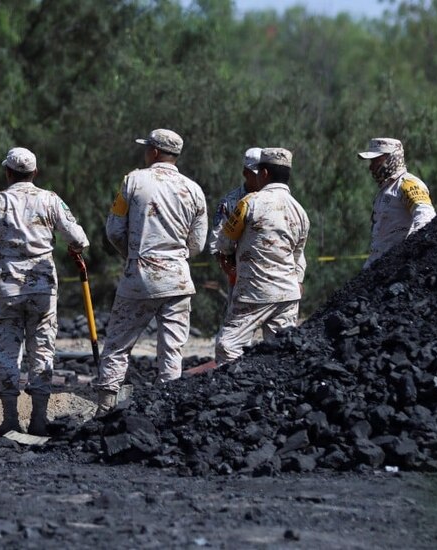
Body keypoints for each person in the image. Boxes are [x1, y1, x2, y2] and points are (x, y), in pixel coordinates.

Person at [0, 147, 88, 436]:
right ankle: (39, 420)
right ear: (35, 173)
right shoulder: (50, 200)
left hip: (7, 284)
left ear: (8, 172)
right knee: (42, 349)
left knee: (7, 352)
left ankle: (9, 420)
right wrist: (73, 249)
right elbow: (78, 237)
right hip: (43, 283)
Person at [94, 129, 208, 416]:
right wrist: (177, 258)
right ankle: (167, 412)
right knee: (172, 351)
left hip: (139, 277)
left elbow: (114, 229)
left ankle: (105, 407)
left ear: (155, 152)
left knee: (118, 344)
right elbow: (198, 243)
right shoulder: (194, 190)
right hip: (178, 280)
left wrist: (133, 254)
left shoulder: (133, 181)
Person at [213, 148, 309, 365]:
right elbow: (298, 255)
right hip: (288, 293)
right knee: (282, 350)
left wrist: (229, 260)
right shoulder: (300, 211)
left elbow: (224, 243)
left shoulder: (249, 203)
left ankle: (229, 391)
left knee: (228, 345)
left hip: (254, 291)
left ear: (264, 173)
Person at [358, 138, 436, 268]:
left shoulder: (407, 184)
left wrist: (409, 252)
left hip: (396, 267)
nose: (371, 167)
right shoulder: (384, 191)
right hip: (376, 267)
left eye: (376, 161)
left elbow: (426, 217)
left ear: (391, 158)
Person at [209, 147, 261, 288]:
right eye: (256, 174)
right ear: (245, 173)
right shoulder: (230, 202)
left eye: (263, 173)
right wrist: (227, 265)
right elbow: (217, 240)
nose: (261, 178)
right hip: (241, 277)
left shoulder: (275, 199)